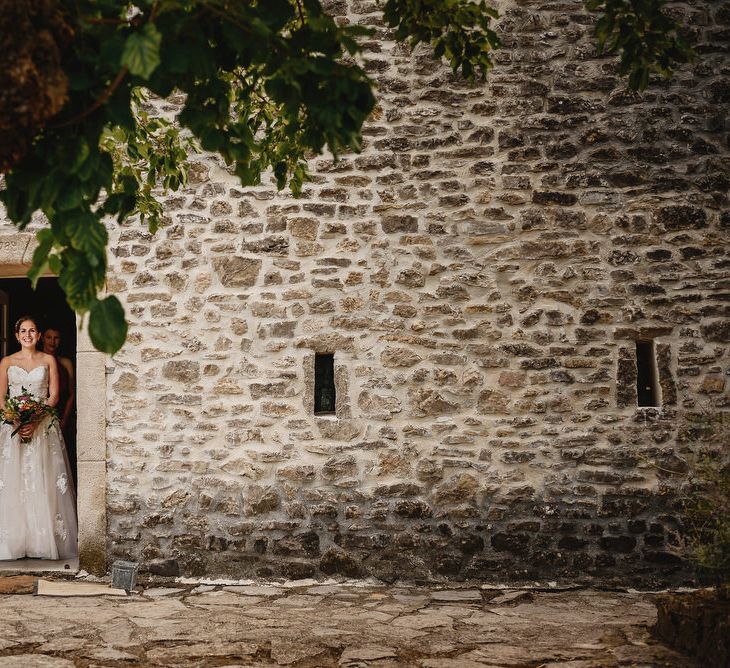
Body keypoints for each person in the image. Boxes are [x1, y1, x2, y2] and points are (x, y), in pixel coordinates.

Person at [0, 316, 77, 560]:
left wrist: (34, 420)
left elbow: (53, 396)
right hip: (14, 429)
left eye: (32, 331)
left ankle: (42, 541)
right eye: (23, 331)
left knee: (43, 480)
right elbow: (1, 398)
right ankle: (15, 540)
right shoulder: (6, 362)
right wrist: (15, 419)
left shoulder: (48, 360)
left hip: (42, 428)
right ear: (16, 335)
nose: (28, 335)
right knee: (16, 481)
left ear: (39, 335)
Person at [41, 326, 76, 480]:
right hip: (39, 414)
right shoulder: (36, 360)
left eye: (56, 338)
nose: (53, 341)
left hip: (61, 415)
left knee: (59, 461)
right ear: (42, 338)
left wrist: (64, 420)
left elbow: (71, 393)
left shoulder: (65, 362)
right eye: (49, 337)